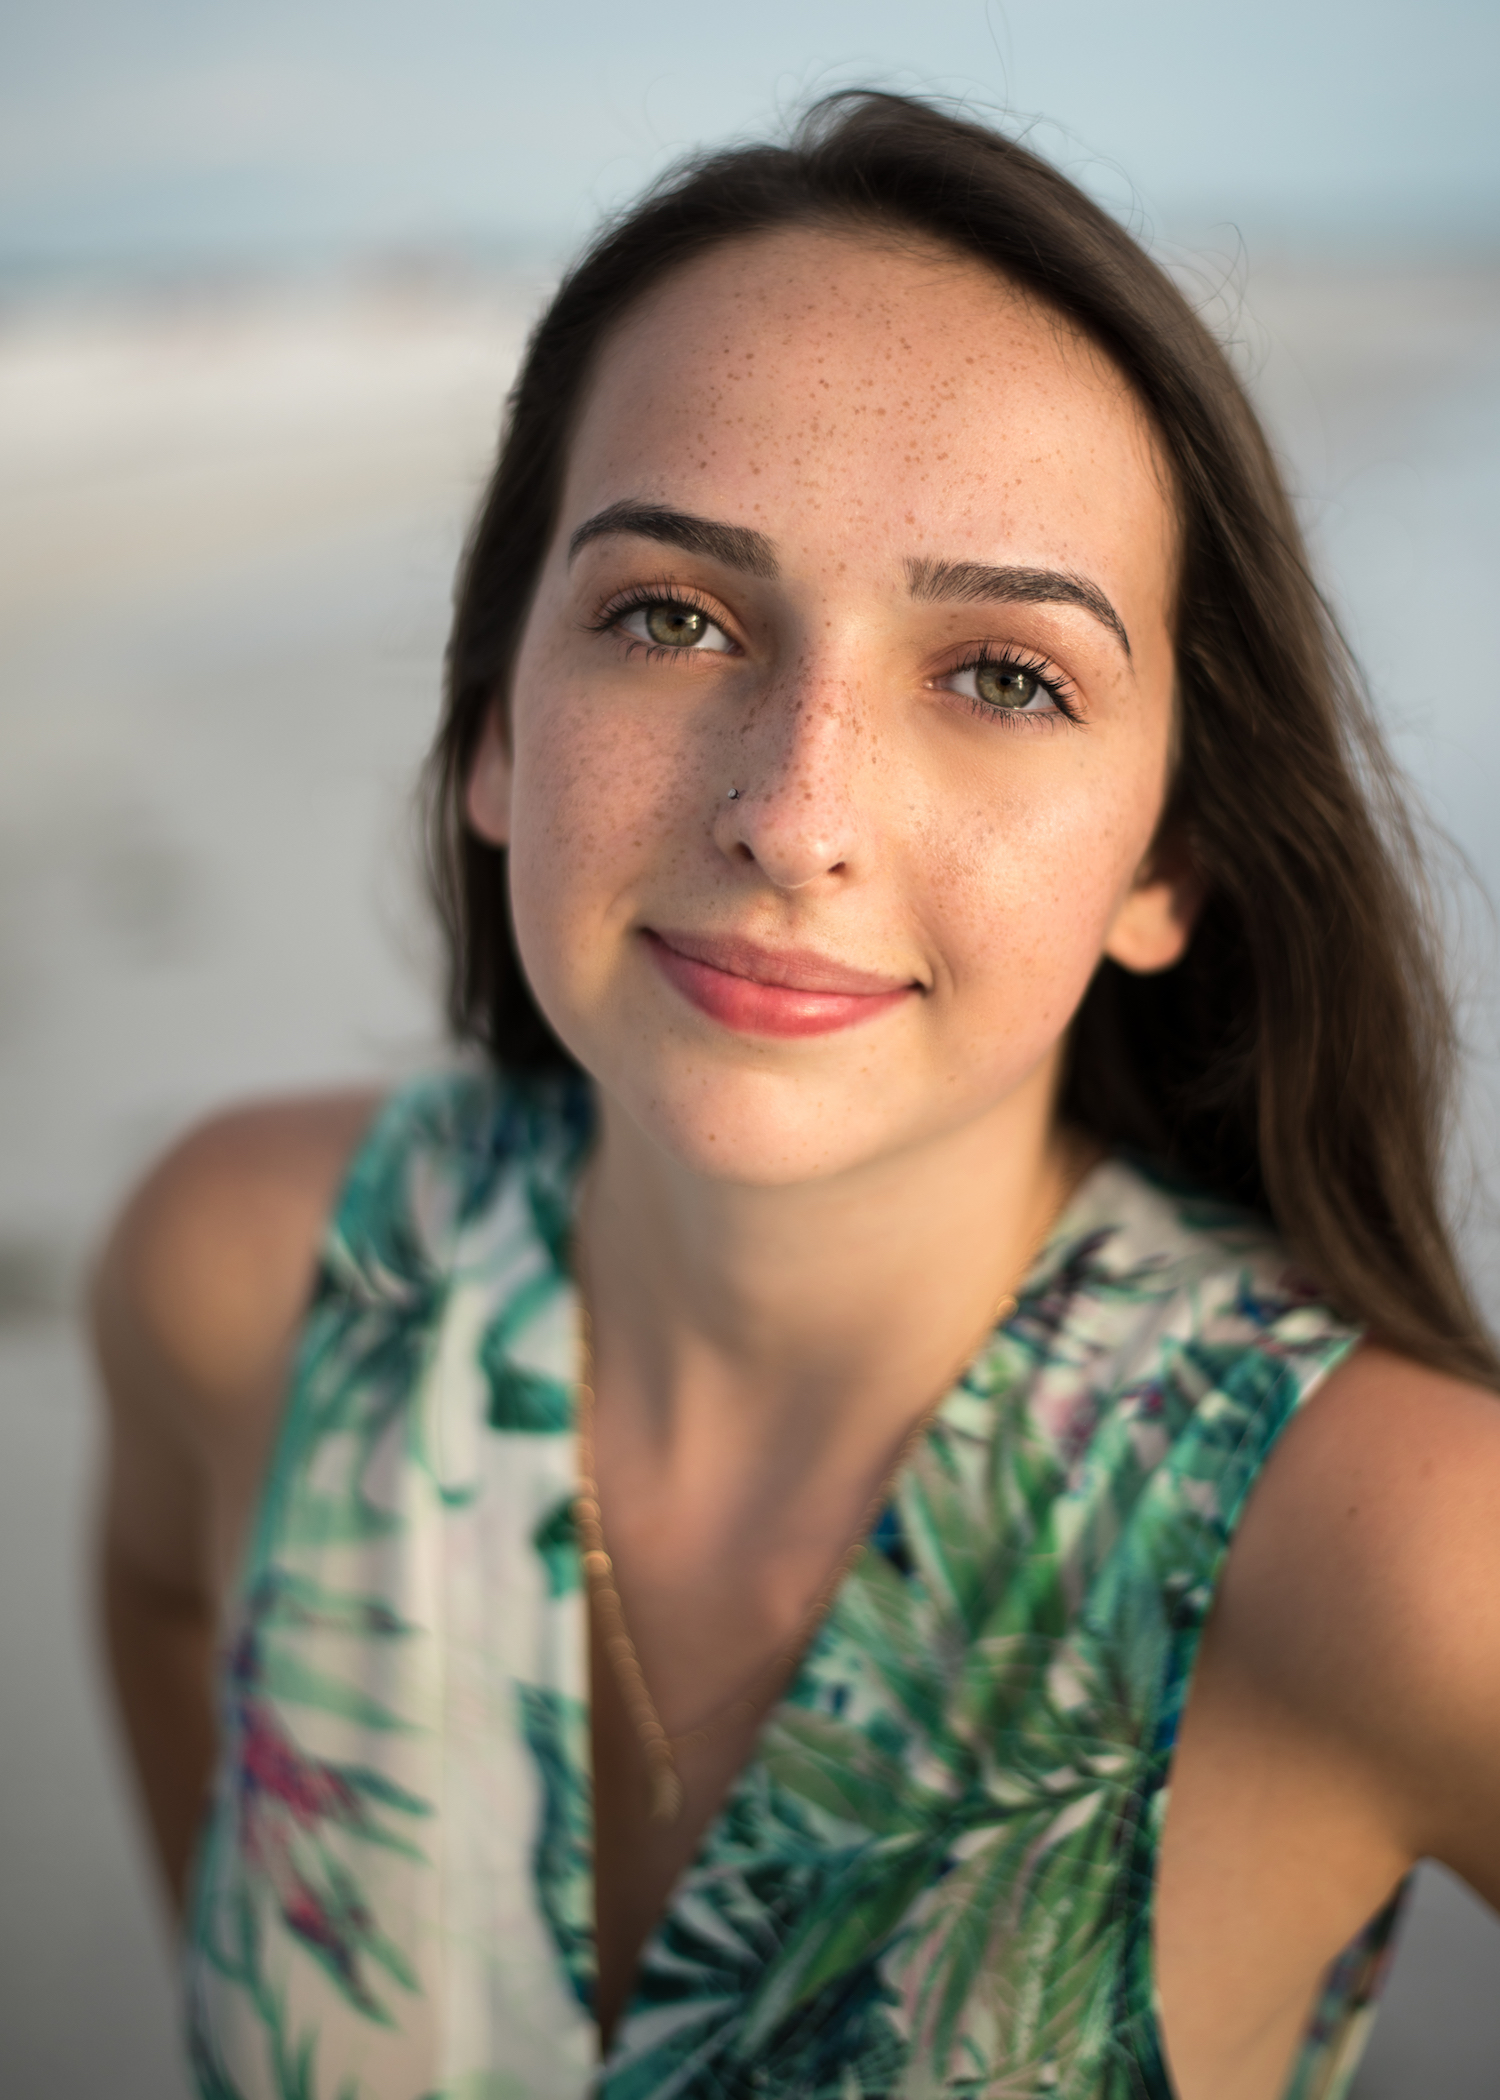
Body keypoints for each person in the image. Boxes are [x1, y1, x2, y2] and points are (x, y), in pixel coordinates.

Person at [91, 91, 1500, 2100]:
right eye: (672, 617)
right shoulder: (253, 1277)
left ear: (1169, 862)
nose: (793, 815)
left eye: (1003, 674)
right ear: (497, 725)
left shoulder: (1395, 1557)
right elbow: (161, 1605)